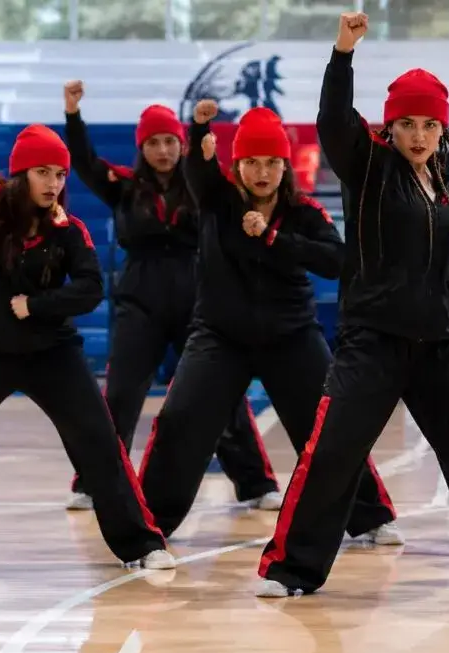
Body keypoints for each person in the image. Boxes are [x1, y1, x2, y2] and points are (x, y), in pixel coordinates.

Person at [255, 12, 449, 599]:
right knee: (333, 453)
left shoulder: (446, 186)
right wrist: (343, 54)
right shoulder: (369, 167)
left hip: (443, 345)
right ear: (389, 126)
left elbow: (443, 268)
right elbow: (333, 119)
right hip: (372, 343)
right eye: (406, 124)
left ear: (442, 129)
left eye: (429, 125)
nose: (418, 136)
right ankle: (291, 570)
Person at [0, 41, 174, 569]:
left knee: (101, 444)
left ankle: (143, 545)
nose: (55, 183)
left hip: (51, 354)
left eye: (61, 174)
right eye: (44, 173)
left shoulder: (68, 229)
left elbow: (90, 288)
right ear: (21, 174)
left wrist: (38, 306)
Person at [135, 99, 401, 546]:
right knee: (181, 419)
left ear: (285, 166)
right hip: (219, 336)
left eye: (272, 163)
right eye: (252, 162)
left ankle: (369, 516)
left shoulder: (304, 213)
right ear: (237, 165)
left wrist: (276, 238)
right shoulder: (217, 201)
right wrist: (198, 128)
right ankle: (148, 526)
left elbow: (337, 261)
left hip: (291, 336)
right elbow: (198, 170)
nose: (262, 172)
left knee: (331, 424)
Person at [61, 81, 282, 513]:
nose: (163, 150)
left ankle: (256, 484)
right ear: (141, 148)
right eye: (153, 143)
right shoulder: (123, 186)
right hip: (139, 302)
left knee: (221, 394)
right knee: (120, 394)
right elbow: (84, 162)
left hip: (198, 301)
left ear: (182, 144)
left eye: (169, 141)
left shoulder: (202, 185)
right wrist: (72, 114)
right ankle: (94, 482)